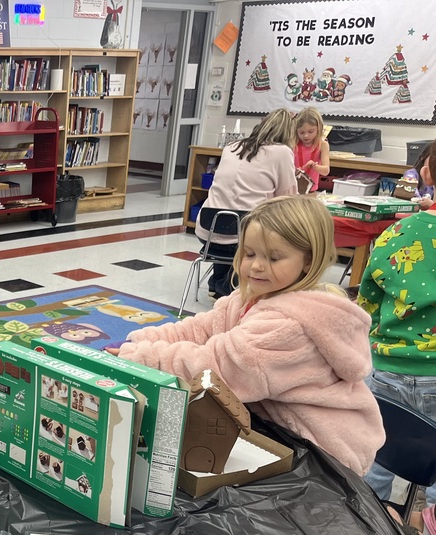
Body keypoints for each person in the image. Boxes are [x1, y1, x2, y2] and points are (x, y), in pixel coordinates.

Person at [116, 195, 383, 477]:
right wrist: (139, 340)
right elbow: (201, 329)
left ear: (308, 260)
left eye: (274, 257)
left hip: (320, 454)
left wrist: (141, 358)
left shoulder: (287, 326)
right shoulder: (254, 297)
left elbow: (216, 368)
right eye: (250, 253)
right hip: (280, 432)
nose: (256, 266)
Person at [359, 144, 436, 535]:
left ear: (426, 170)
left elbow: (367, 302)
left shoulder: (398, 233)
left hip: (384, 368)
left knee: (374, 461)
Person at [197, 108, 298, 298]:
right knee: (262, 230)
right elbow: (288, 198)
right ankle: (230, 289)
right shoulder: (282, 152)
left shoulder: (232, 146)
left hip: (207, 229)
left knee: (233, 225)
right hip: (241, 237)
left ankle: (218, 284)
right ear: (289, 133)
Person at [293, 106, 330, 192]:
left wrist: (314, 166)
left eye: (310, 131)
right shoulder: (293, 144)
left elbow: (326, 171)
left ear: (319, 129)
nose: (306, 136)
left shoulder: (323, 145)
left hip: (311, 190)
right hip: (293, 189)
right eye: (301, 132)